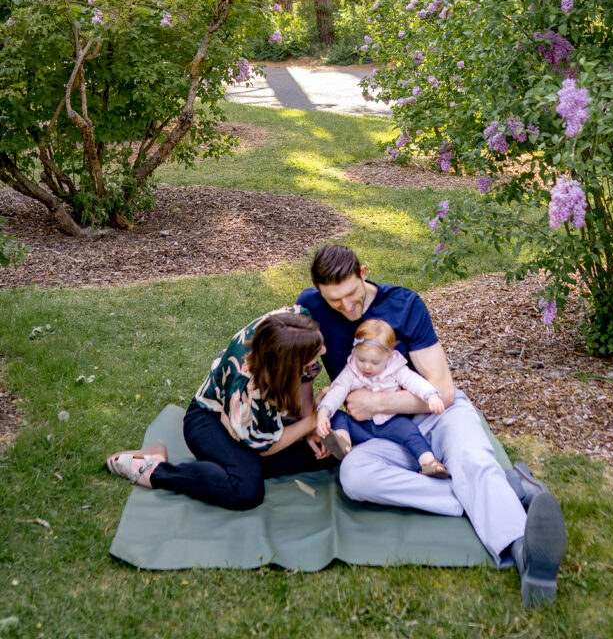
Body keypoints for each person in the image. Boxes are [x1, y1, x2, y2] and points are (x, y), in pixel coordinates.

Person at [298, 245, 567, 609]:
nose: (346, 307)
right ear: (319, 292)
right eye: (334, 301)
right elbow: (301, 365)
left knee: (471, 458)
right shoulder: (310, 306)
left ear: (364, 273)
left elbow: (443, 389)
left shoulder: (405, 305)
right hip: (382, 433)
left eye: (352, 295)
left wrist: (378, 402)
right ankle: (500, 490)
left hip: (435, 412)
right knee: (355, 476)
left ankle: (525, 553)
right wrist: (313, 418)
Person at [105, 307, 332, 509]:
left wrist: (310, 425)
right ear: (288, 363)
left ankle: (234, 464)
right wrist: (309, 422)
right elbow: (265, 446)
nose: (323, 350)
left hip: (254, 425)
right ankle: (150, 468)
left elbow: (305, 376)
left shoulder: (297, 321)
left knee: (325, 449)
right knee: (245, 489)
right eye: (316, 350)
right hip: (208, 420)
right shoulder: (246, 387)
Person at [317, 318, 450, 478]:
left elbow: (414, 382)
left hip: (390, 422)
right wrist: (324, 411)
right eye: (362, 359)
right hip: (361, 426)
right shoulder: (352, 369)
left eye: (374, 362)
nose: (366, 366)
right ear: (355, 351)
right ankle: (343, 443)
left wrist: (431, 395)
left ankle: (428, 462)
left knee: (410, 432)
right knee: (338, 416)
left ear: (389, 356)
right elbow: (338, 391)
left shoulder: (395, 368)